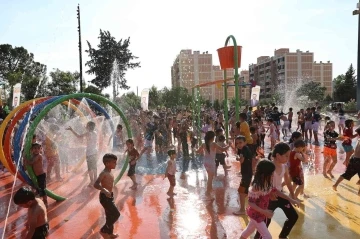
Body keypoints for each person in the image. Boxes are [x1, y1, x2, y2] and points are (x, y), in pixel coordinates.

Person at [240, 160, 299, 239]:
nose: (272, 175)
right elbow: (251, 203)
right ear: (264, 174)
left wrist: (291, 200)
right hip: (256, 215)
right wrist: (264, 211)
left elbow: (277, 192)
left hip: (261, 214)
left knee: (248, 231)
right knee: (267, 237)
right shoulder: (256, 186)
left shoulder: (267, 183)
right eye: (271, 173)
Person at [254, 143, 299, 239]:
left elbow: (287, 181)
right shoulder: (269, 167)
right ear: (278, 155)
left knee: (293, 216)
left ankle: (283, 235)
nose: (288, 158)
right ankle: (258, 237)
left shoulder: (284, 167)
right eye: (286, 156)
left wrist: (293, 195)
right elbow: (263, 185)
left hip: (280, 196)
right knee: (266, 221)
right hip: (268, 198)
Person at [197, 131, 230, 200]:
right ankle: (207, 193)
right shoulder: (213, 144)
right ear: (212, 138)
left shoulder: (203, 144)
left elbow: (198, 151)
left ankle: (210, 191)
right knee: (210, 179)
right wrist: (229, 145)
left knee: (210, 177)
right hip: (211, 163)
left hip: (205, 162)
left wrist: (195, 149)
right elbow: (222, 149)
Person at [94, 153, 120, 239]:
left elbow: (110, 183)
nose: (116, 164)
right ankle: (104, 229)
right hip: (104, 197)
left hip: (110, 196)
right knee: (116, 214)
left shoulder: (110, 172)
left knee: (109, 215)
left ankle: (110, 233)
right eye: (114, 162)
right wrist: (104, 190)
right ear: (107, 163)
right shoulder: (104, 173)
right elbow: (96, 184)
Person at [67, 121, 98, 186]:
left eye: (87, 125)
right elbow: (90, 133)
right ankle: (95, 180)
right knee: (94, 167)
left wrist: (72, 130)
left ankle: (92, 181)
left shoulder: (87, 133)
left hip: (89, 153)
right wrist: (87, 127)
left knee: (90, 168)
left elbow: (79, 136)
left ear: (89, 127)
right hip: (95, 152)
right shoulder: (95, 133)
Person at [333, 127, 360, 195]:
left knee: (346, 174)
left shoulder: (359, 139)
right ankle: (359, 193)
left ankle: (335, 185)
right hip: (358, 161)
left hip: (353, 159)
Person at [233, 135, 253, 215]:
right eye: (237, 143)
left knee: (241, 192)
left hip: (246, 174)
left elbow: (241, 161)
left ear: (245, 142)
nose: (239, 144)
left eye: (240, 142)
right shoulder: (243, 149)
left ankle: (242, 210)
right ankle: (248, 206)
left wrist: (238, 158)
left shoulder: (244, 149)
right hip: (247, 173)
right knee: (244, 191)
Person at [24, 143, 48, 207]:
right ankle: (39, 201)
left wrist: (25, 159)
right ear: (32, 149)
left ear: (40, 149)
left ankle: (45, 201)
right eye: (34, 148)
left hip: (41, 175)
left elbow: (31, 163)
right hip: (36, 176)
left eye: (38, 148)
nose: (36, 150)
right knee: (37, 189)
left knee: (42, 189)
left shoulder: (39, 156)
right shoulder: (32, 156)